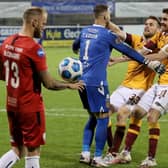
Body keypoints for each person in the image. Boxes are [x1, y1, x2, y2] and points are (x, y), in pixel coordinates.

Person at [72, 4, 165, 167]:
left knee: (120, 114)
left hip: (140, 89)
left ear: (158, 29)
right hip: (115, 85)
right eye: (146, 23)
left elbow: (136, 53)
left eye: (151, 24)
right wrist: (107, 23)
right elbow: (124, 41)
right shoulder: (136, 40)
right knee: (103, 115)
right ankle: (106, 152)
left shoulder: (159, 45)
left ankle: (114, 152)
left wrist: (122, 59)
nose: (147, 26)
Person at [0, 7, 84, 168]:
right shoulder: (34, 48)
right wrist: (69, 85)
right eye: (43, 23)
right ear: (34, 22)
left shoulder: (7, 42)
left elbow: (2, 74)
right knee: (33, 152)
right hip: (30, 108)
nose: (44, 27)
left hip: (11, 105)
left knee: (17, 149)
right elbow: (49, 83)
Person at [111, 8, 168, 168]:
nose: (163, 22)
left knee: (152, 117)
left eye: (166, 20)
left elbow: (160, 56)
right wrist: (118, 59)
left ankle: (151, 159)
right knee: (136, 113)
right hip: (160, 83)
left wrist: (138, 57)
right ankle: (126, 153)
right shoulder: (160, 35)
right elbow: (141, 51)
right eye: (162, 19)